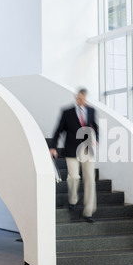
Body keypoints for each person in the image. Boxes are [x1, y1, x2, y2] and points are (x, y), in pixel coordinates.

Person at [50, 88, 99, 223]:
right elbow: (58, 130)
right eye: (79, 98)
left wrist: (97, 139)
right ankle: (73, 200)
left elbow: (95, 126)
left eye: (84, 98)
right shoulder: (67, 112)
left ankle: (88, 212)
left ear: (85, 98)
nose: (81, 100)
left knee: (90, 179)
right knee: (74, 177)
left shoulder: (91, 111)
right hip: (71, 149)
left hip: (87, 149)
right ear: (76, 97)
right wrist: (53, 146)